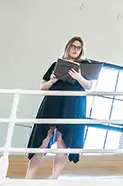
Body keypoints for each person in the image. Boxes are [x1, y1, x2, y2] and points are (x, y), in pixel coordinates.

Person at [26, 37, 95, 180]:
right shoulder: (56, 64)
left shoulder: (84, 66)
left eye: (78, 47)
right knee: (43, 140)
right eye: (73, 46)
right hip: (53, 102)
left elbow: (89, 86)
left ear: (81, 50)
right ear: (67, 47)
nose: (75, 49)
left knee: (63, 141)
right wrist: (52, 81)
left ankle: (54, 178)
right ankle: (29, 178)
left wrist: (79, 77)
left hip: (72, 105)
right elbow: (42, 87)